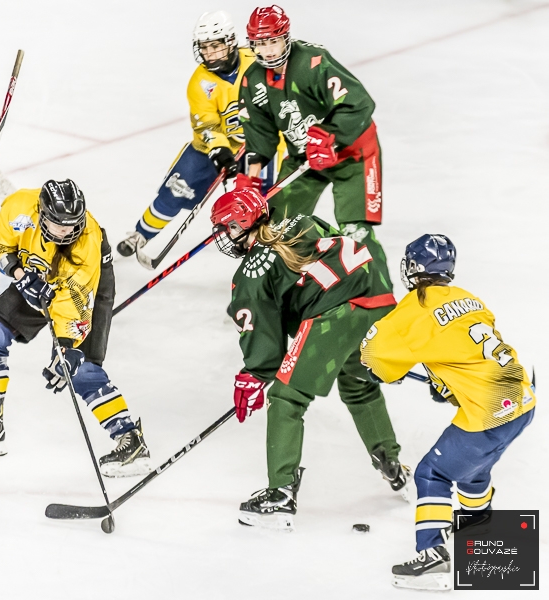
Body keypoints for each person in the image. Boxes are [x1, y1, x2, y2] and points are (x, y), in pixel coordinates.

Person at [210, 187, 407, 530]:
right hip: (375, 297)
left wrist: (255, 373)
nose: (224, 237)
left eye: (226, 228)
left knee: (285, 398)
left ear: (243, 223)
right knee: (356, 384)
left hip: (338, 314)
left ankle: (281, 496)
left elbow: (262, 335)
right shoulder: (301, 221)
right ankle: (392, 464)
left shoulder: (251, 272)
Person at [360, 234, 536, 592]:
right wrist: (445, 381)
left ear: (412, 268)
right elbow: (465, 350)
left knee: (432, 473)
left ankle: (433, 558)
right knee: (473, 471)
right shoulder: (469, 299)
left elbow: (373, 358)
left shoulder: (412, 310)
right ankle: (481, 536)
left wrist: (380, 367)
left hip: (487, 412)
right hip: (521, 400)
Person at [0, 179, 153, 478]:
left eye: (72, 224)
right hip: (35, 273)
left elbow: (75, 300)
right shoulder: (19, 207)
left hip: (87, 286)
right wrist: (19, 273)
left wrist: (68, 346)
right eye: (58, 225)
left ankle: (130, 439)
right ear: (41, 213)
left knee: (79, 368)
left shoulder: (87, 240)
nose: (66, 231)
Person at [236, 5, 390, 283]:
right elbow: (260, 137)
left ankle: (382, 300)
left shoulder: (313, 62)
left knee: (356, 232)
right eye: (260, 43)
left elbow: (359, 103)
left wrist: (331, 136)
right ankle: (271, 296)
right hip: (305, 157)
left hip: (354, 154)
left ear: (285, 37)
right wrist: (249, 183)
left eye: (273, 41)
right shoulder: (253, 80)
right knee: (276, 226)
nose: (268, 50)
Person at [116, 10, 279, 260]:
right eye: (205, 47)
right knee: (176, 190)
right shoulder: (200, 83)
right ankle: (141, 234)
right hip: (210, 149)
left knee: (258, 202)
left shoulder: (255, 61)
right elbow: (206, 126)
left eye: (216, 46)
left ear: (231, 42)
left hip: (257, 146)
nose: (210, 53)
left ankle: (261, 250)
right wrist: (220, 149)